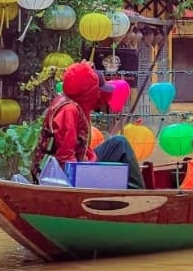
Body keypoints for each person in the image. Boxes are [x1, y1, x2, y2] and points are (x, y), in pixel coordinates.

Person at [30, 60, 145, 189]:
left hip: (80, 162)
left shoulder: (73, 101)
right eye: (96, 90)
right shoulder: (69, 110)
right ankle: (138, 194)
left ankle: (132, 191)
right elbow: (65, 157)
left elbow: (102, 96)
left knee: (118, 143)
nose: (99, 95)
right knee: (121, 144)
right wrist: (78, 188)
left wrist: (91, 74)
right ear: (88, 92)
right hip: (61, 173)